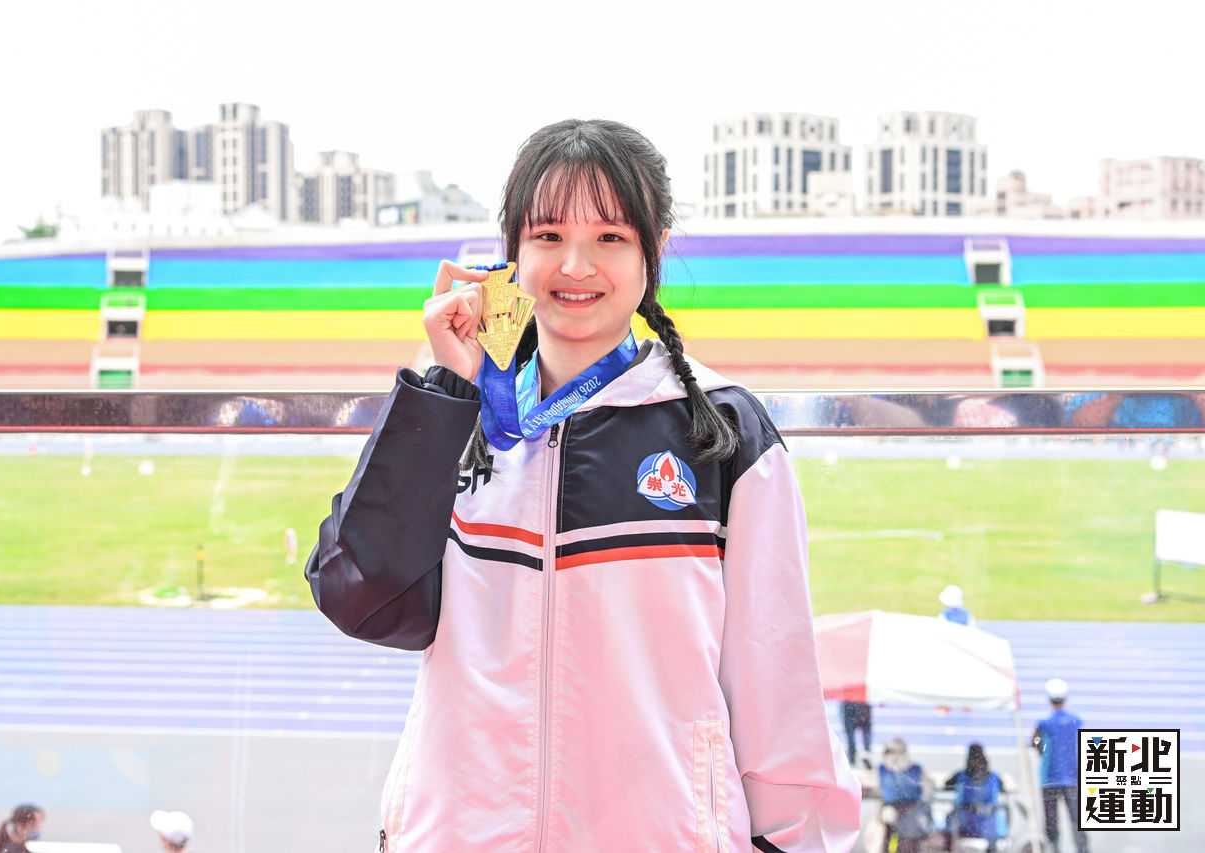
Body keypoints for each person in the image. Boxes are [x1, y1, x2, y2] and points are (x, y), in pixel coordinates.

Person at [306, 119, 861, 852]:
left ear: (652, 251)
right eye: (548, 235)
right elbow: (363, 601)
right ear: (512, 252)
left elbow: (775, 678)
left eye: (610, 237)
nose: (576, 265)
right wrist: (444, 388)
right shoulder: (459, 413)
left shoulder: (722, 430)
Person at [1032, 678, 1089, 853]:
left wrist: (1044, 751)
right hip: (1072, 776)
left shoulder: (1044, 723)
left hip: (1049, 777)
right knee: (1077, 819)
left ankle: (1054, 848)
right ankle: (1083, 849)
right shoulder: (1076, 721)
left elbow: (1035, 743)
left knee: (1051, 820)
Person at [944, 743, 1003, 850]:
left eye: (978, 759)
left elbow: (946, 785)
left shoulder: (993, 777)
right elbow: (947, 785)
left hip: (984, 819)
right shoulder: (961, 775)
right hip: (967, 818)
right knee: (951, 819)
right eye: (975, 759)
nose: (977, 762)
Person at [878, 738, 932, 853]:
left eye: (890, 751)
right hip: (890, 815)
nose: (886, 755)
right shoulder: (882, 770)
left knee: (908, 843)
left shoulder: (916, 770)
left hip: (912, 815)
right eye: (886, 752)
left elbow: (928, 792)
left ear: (901, 753)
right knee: (890, 843)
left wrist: (917, 812)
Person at [841, 700, 872, 766]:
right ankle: (865, 754)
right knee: (865, 732)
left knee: (851, 734)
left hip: (852, 703)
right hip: (860, 703)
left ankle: (853, 759)